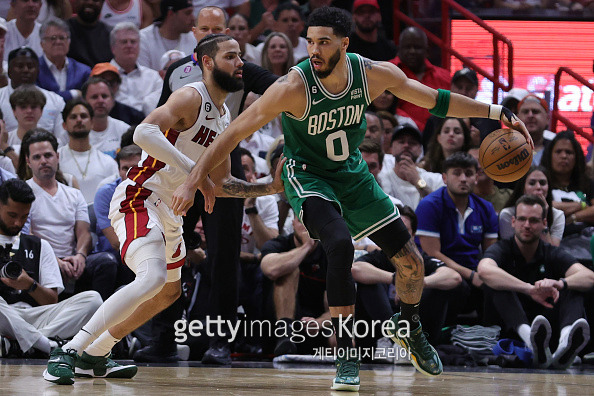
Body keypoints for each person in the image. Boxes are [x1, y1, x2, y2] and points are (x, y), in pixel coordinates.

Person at [172, 7, 531, 391]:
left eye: (323, 42)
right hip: (307, 175)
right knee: (340, 244)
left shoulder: (373, 74)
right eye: (309, 42)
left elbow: (434, 100)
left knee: (412, 265)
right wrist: (193, 180)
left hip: (354, 176)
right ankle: (347, 354)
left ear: (344, 44)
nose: (314, 50)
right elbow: (233, 132)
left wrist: (496, 112)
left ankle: (407, 325)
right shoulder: (293, 86)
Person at [43, 33, 285, 385]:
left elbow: (221, 183)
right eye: (231, 56)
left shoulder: (222, 118)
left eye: (241, 57)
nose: (240, 64)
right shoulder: (191, 96)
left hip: (170, 212)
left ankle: (97, 352)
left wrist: (269, 187)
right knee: (153, 278)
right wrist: (194, 173)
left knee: (169, 292)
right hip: (139, 197)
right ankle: (70, 349)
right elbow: (142, 133)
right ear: (207, 62)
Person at [478, 194, 594, 369]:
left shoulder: (550, 252)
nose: (527, 225)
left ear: (544, 223)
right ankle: (531, 342)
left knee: (574, 286)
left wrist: (560, 283)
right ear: (513, 222)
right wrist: (529, 289)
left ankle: (566, 341)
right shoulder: (502, 248)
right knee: (495, 283)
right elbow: (484, 270)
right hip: (511, 329)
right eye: (522, 219)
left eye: (533, 220)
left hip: (547, 332)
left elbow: (588, 277)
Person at [0, 178, 103, 358]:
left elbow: (51, 301)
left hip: (36, 316)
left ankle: (21, 343)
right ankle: (46, 345)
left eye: (24, 217)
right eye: (12, 215)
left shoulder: (40, 245)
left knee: (93, 300)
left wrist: (30, 285)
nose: (18, 223)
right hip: (3, 315)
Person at [23, 129, 120, 301]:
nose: (44, 161)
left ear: (57, 157)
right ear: (28, 162)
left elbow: (84, 233)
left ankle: (98, 321)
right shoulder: (23, 192)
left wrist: (80, 255)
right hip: (40, 261)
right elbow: (27, 236)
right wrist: (54, 261)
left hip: (73, 261)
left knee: (107, 262)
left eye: (48, 155)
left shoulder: (73, 194)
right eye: (37, 157)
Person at [352, 204, 463, 348]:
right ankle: (394, 338)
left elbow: (454, 277)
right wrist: (395, 279)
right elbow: (355, 269)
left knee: (437, 284)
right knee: (368, 281)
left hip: (415, 332)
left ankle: (409, 343)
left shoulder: (421, 259)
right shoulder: (378, 257)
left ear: (412, 235)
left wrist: (417, 283)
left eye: (403, 231)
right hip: (377, 337)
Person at [416, 152, 499, 291]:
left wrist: (488, 274)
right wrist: (472, 275)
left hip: (474, 270)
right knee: (456, 286)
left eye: (468, 173)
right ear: (444, 178)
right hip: (437, 271)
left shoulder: (486, 208)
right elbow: (432, 253)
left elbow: (490, 253)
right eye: (457, 173)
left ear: (476, 178)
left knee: (500, 286)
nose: (463, 179)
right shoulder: (429, 205)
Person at [260, 215, 331, 356]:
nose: (307, 226)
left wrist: (319, 322)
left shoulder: (328, 254)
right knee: (288, 268)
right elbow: (270, 269)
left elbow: (339, 309)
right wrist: (306, 246)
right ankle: (285, 336)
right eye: (301, 221)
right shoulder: (278, 244)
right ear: (293, 223)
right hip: (274, 325)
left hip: (311, 327)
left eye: (312, 222)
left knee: (340, 336)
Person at [389, 27, 451, 131]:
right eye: (407, 47)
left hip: (438, 138)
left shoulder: (444, 77)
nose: (412, 51)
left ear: (427, 51)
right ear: (399, 49)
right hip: (400, 135)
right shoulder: (387, 71)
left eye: (417, 47)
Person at [57, 99, 119, 204]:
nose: (79, 120)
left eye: (83, 116)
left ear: (92, 123)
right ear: (64, 125)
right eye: (73, 117)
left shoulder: (107, 162)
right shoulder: (56, 160)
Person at [0, 47, 66, 142]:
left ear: (38, 71)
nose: (26, 70)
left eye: (30, 66)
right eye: (20, 66)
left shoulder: (56, 101)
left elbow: (61, 140)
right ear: (9, 71)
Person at [423, 68, 501, 147]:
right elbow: (427, 150)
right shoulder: (435, 119)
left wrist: (478, 145)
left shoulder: (489, 121)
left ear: (477, 89)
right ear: (451, 87)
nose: (463, 92)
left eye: (468, 88)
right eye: (459, 87)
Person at [541, 130, 594, 236]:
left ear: (576, 157)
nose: (564, 156)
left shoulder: (588, 183)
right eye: (558, 151)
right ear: (549, 155)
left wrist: (573, 217)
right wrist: (582, 206)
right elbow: (543, 208)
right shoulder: (541, 181)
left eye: (569, 152)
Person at [379, 125, 444, 210]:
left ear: (420, 150)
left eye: (412, 143)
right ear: (391, 148)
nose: (406, 145)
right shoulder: (381, 178)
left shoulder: (435, 179)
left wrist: (418, 182)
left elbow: (443, 209)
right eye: (401, 142)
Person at [499, 166, 565, 246]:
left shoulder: (558, 216)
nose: (538, 187)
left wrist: (543, 216)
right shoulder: (507, 214)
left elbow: (552, 255)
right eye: (532, 183)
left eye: (542, 183)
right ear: (523, 188)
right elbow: (511, 251)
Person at [109, 22, 161, 114]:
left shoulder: (154, 78)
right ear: (113, 48)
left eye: (133, 42)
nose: (129, 45)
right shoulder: (103, 76)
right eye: (124, 42)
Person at [36, 17, 91, 102]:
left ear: (69, 42)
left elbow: (89, 99)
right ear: (42, 44)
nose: (58, 42)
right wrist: (72, 94)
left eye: (62, 38)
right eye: (53, 38)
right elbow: (37, 99)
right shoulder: (33, 70)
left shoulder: (84, 71)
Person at [137, 0, 195, 71]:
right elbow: (144, 77)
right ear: (170, 13)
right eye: (187, 13)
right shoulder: (143, 39)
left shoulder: (194, 38)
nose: (193, 18)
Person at [82, 76, 131, 158]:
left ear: (113, 100)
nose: (100, 101)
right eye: (94, 97)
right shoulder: (75, 131)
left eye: (104, 96)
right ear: (84, 101)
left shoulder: (124, 130)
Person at [67, 0, 113, 67]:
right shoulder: (62, 31)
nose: (90, 2)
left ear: (102, 4)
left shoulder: (110, 35)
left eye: (95, 0)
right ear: (75, 2)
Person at [467, 146, 512, 214]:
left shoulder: (509, 196)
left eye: (483, 161)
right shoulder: (461, 199)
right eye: (473, 163)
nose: (479, 166)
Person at [517, 94, 554, 166]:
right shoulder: (505, 149)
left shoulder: (558, 149)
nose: (530, 115)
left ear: (547, 119)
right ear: (517, 118)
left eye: (535, 111)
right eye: (525, 112)